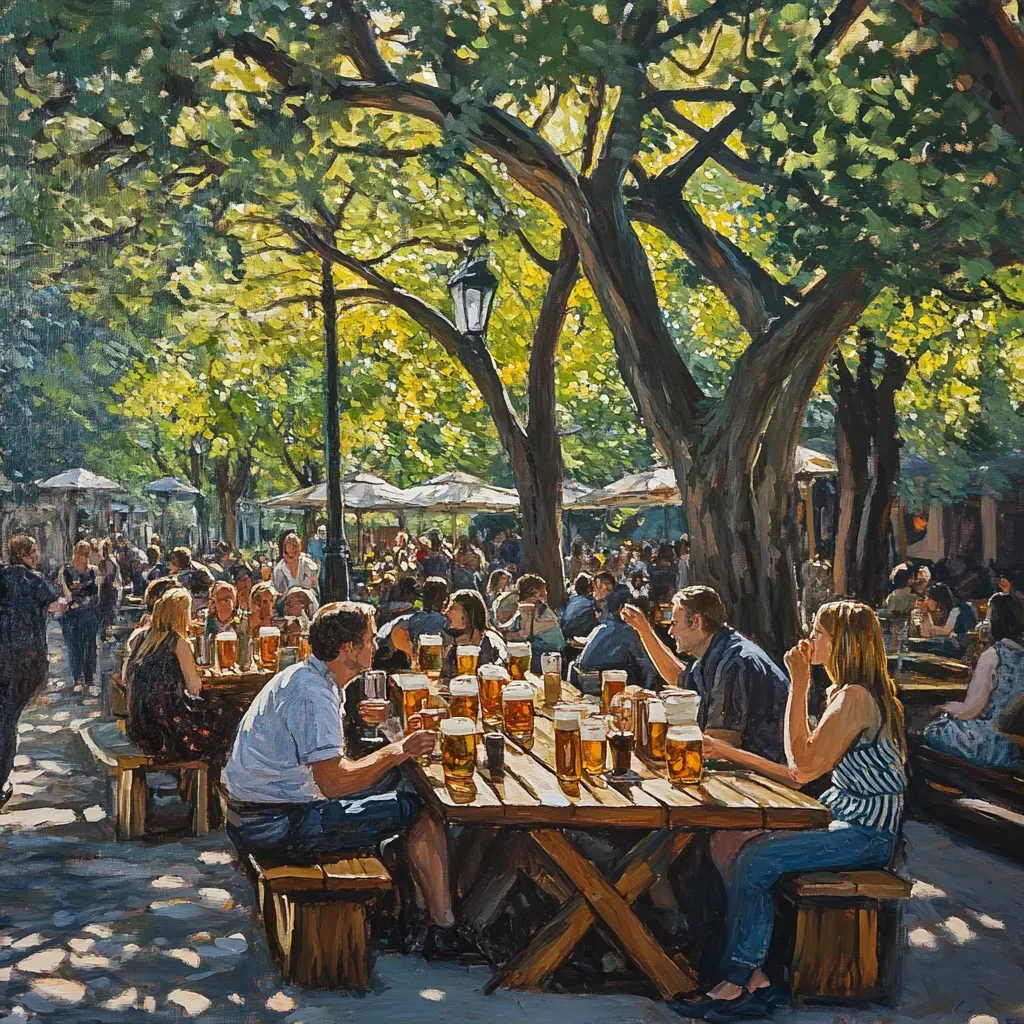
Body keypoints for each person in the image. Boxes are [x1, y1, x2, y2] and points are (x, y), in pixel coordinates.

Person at [683, 602, 906, 1017]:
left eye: (819, 633)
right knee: (729, 840)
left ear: (843, 643)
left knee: (755, 858)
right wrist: (729, 752)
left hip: (865, 832)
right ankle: (758, 977)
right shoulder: (844, 693)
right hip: (839, 816)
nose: (810, 639)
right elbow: (795, 769)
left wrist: (798, 682)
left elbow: (800, 769)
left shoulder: (856, 698)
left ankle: (736, 980)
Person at [222, 602, 460, 957]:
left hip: (257, 810)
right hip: (275, 824)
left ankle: (403, 915)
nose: (375, 646)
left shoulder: (309, 678)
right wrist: (399, 751)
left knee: (398, 788)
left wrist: (396, 741)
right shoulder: (313, 694)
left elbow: (332, 769)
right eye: (368, 639)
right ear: (348, 649)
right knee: (421, 810)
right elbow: (334, 783)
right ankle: (442, 930)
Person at [622, 586, 789, 763]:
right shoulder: (719, 650)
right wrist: (644, 632)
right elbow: (679, 677)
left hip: (770, 773)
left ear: (696, 621)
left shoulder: (734, 662)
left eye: (674, 624)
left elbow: (720, 741)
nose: (670, 632)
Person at [125, 588, 235, 762]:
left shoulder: (142, 639)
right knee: (228, 713)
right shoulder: (177, 642)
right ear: (181, 615)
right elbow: (194, 688)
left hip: (140, 727)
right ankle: (212, 781)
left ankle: (195, 780)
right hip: (169, 731)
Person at [923, 592, 1024, 767]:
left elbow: (970, 710)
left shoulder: (993, 655)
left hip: (992, 744)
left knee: (931, 729)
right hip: (1017, 746)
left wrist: (947, 708)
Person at [0, 536, 64, 806]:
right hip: (27, 657)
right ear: (26, 554)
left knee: (4, 716)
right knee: (7, 719)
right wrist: (65, 601)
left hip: (3, 652)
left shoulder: (2, 577)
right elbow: (55, 607)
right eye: (35, 550)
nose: (38, 555)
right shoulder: (34, 579)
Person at [573, 587, 659, 691]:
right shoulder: (629, 632)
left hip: (585, 685)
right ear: (620, 609)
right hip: (609, 688)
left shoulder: (600, 628)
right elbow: (646, 667)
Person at [499, 573, 565, 673]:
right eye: (544, 590)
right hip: (547, 655)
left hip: (546, 656)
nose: (546, 593)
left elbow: (525, 633)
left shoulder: (540, 610)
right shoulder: (529, 608)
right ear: (536, 592)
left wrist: (505, 635)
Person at [441, 589, 507, 681]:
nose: (446, 612)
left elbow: (496, 676)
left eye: (452, 608)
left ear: (468, 613)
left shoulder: (490, 641)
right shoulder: (457, 644)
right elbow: (445, 677)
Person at [60, 539, 101, 690]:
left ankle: (89, 678)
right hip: (71, 614)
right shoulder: (67, 571)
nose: (82, 557)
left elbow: (96, 594)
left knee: (89, 646)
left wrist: (84, 601)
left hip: (88, 613)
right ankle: (77, 678)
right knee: (74, 646)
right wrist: (71, 601)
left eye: (85, 554)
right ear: (75, 553)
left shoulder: (93, 571)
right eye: (80, 553)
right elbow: (64, 592)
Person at [391, 577, 449, 663]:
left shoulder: (407, 620)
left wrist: (411, 653)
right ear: (444, 598)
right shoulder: (446, 622)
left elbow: (396, 632)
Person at [918, 582, 976, 656]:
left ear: (938, 599)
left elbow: (946, 632)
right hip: (951, 644)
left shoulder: (958, 609)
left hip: (960, 648)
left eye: (928, 599)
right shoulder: (945, 611)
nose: (926, 602)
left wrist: (929, 625)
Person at [273, 531, 320, 596]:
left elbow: (315, 588)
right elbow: (278, 591)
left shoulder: (308, 564)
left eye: (295, 554)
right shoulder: (280, 569)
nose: (292, 560)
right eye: (289, 556)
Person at [560, 573, 597, 639]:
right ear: (589, 588)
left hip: (566, 632)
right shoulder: (591, 602)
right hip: (580, 633)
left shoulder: (571, 600)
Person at [97, 537, 121, 634]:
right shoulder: (108, 561)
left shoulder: (108, 562)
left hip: (108, 590)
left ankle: (106, 631)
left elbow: (108, 576)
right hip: (108, 589)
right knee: (106, 612)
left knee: (107, 612)